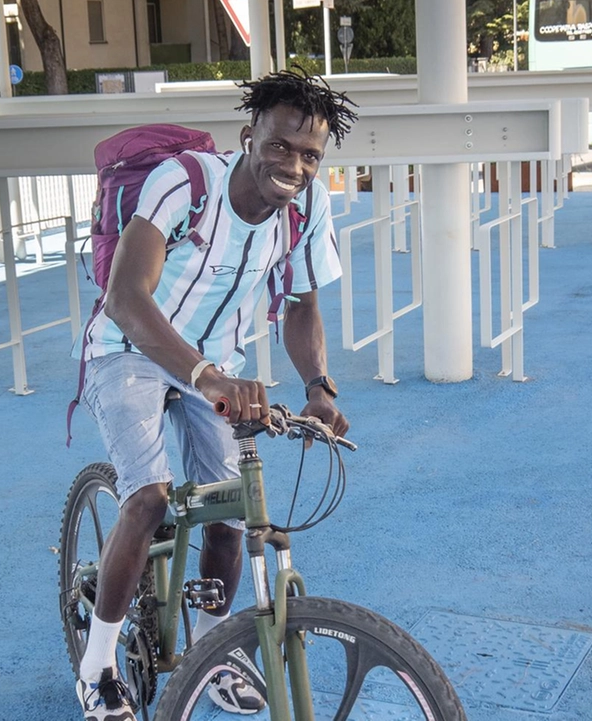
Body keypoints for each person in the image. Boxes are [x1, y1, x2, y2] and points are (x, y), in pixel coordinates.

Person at [73, 69, 358, 721]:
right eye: (281, 146)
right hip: (128, 351)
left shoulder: (309, 206)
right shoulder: (187, 182)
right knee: (148, 496)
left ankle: (214, 645)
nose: (294, 165)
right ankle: (99, 664)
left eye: (310, 154)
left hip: (217, 367)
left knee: (233, 509)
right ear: (248, 137)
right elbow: (124, 297)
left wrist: (317, 385)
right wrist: (206, 377)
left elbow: (301, 304)